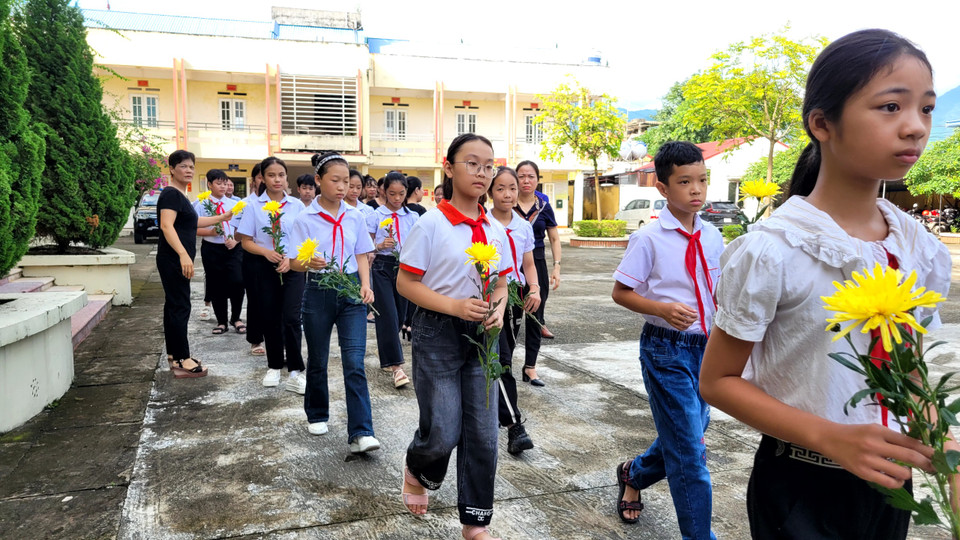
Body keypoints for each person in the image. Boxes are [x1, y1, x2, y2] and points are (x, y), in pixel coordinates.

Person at [699, 30, 951, 539]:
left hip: (889, 484)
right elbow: (717, 381)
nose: (914, 128)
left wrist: (942, 444)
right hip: (800, 485)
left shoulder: (918, 248)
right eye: (889, 107)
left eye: (925, 109)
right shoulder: (775, 249)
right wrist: (832, 437)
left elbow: (910, 366)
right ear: (822, 123)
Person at [397, 133, 511, 540]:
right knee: (443, 428)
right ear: (449, 167)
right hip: (438, 330)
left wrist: (498, 307)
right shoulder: (432, 223)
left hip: (483, 336)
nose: (482, 173)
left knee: (483, 432)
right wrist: (456, 307)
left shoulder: (494, 229)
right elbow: (406, 284)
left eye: (488, 166)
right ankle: (417, 464)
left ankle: (475, 522)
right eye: (472, 164)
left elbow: (500, 282)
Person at [611, 141, 721, 538]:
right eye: (685, 181)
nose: (696, 190)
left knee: (684, 434)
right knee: (691, 452)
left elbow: (717, 290)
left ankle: (633, 473)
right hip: (666, 348)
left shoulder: (712, 236)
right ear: (663, 188)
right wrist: (661, 308)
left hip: (708, 350)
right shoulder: (650, 238)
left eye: (702, 180)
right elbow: (621, 292)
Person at [288, 152, 381, 453]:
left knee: (355, 362)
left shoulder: (356, 215)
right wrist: (307, 262)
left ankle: (361, 432)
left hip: (351, 290)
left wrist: (366, 286)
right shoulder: (305, 218)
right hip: (318, 291)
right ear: (318, 180)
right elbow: (294, 262)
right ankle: (317, 412)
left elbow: (362, 254)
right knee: (318, 359)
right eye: (335, 180)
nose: (342, 187)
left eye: (347, 181)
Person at [156, 150, 232, 378]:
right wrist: (183, 254)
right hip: (173, 259)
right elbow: (166, 226)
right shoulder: (171, 194)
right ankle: (182, 359)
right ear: (171, 169)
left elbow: (192, 221)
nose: (188, 170)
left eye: (191, 166)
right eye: (183, 166)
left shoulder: (180, 195)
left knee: (174, 305)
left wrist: (221, 218)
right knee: (180, 306)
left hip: (175, 258)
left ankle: (174, 354)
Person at [236, 157, 308, 392]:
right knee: (270, 317)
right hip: (264, 267)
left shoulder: (297, 206)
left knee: (291, 317)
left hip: (293, 267)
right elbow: (245, 241)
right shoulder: (253, 207)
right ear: (262, 178)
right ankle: (275, 366)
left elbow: (304, 239)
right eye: (271, 175)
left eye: (281, 175)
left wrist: (291, 259)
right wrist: (267, 252)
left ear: (286, 177)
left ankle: (296, 370)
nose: (277, 180)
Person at [488, 166, 540, 455]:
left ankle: (497, 414)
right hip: (491, 291)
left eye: (512, 188)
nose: (508, 194)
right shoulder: (483, 224)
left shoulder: (523, 226)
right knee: (501, 356)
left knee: (503, 355)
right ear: (490, 191)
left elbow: (528, 263)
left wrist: (535, 288)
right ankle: (514, 425)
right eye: (500, 188)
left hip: (516, 294)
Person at [366, 171, 418, 387]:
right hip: (382, 267)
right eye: (392, 194)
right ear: (383, 191)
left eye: (401, 194)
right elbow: (365, 248)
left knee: (399, 316)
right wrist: (379, 246)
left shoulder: (414, 217)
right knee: (386, 314)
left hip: (405, 268)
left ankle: (387, 348)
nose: (397, 199)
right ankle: (397, 367)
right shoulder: (375, 216)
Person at [513, 160, 561, 386]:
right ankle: (504, 364)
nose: (526, 180)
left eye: (530, 176)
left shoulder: (544, 205)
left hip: (537, 263)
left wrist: (557, 266)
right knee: (509, 316)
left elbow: (554, 237)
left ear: (537, 179)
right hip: (511, 265)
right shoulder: (507, 201)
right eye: (521, 176)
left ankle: (530, 367)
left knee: (534, 316)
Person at [194, 169, 245, 336]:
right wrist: (210, 233)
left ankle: (236, 318)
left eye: (225, 183)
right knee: (216, 285)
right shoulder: (201, 205)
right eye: (219, 183)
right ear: (209, 184)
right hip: (212, 249)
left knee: (237, 281)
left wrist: (236, 240)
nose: (223, 186)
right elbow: (193, 228)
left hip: (233, 248)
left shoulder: (234, 205)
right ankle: (221, 321)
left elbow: (244, 228)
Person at [242, 163, 266, 356]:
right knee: (256, 300)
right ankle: (256, 338)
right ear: (255, 181)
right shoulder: (248, 204)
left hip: (281, 258)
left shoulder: (291, 204)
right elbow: (239, 235)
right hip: (255, 258)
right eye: (261, 176)